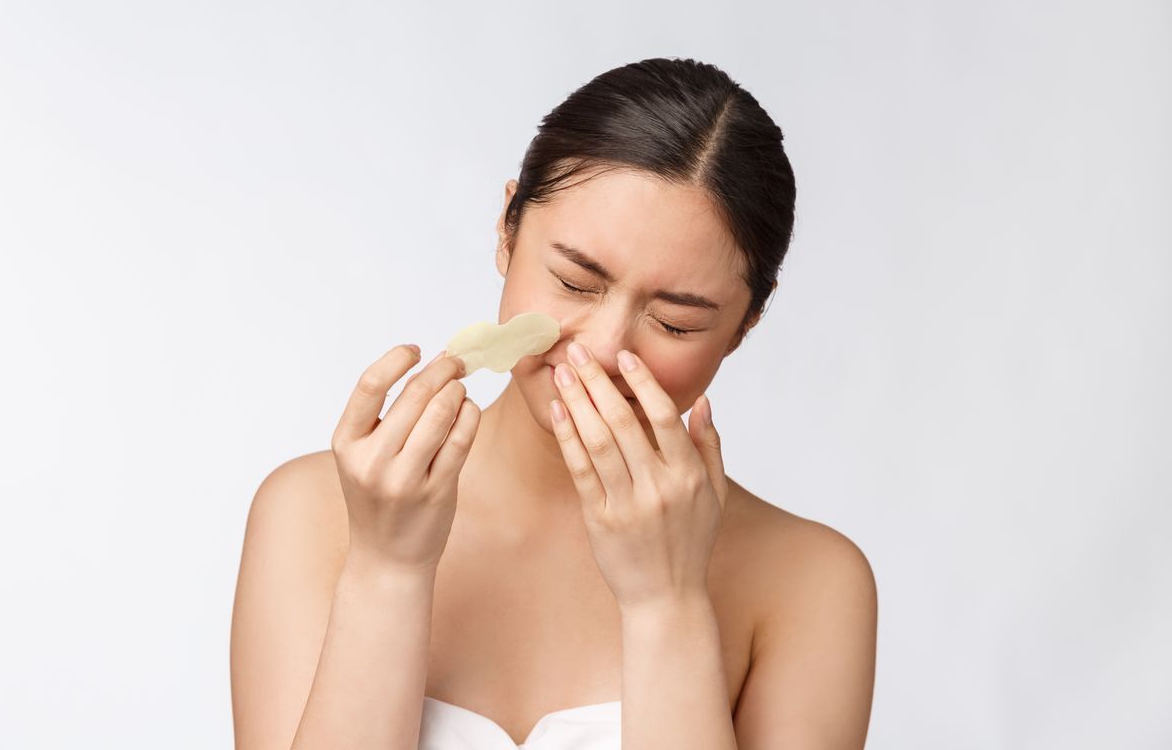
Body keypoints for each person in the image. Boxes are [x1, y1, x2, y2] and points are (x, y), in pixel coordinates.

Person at [230, 57, 877, 749]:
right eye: (574, 281)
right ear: (508, 228)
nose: (599, 350)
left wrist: (669, 604)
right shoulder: (311, 513)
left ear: (746, 324)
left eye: (676, 323)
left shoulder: (810, 582)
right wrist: (388, 570)